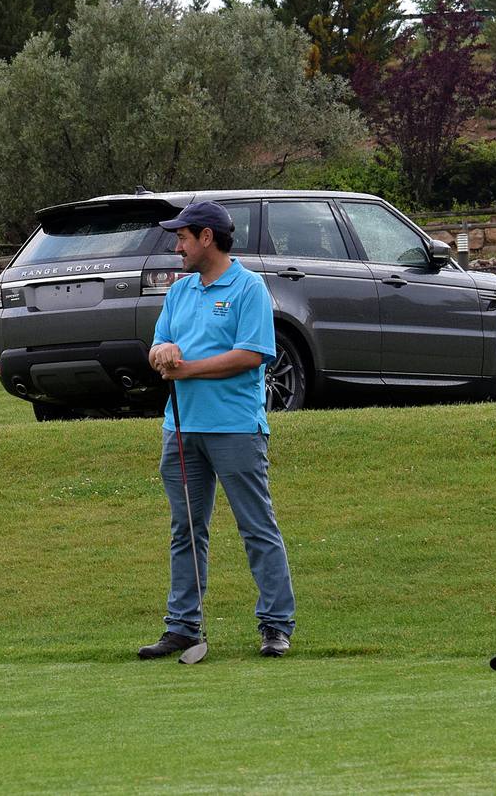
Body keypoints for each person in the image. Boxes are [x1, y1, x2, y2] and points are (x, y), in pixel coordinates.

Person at [138, 201, 297, 660]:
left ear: (206, 237)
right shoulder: (179, 292)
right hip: (181, 430)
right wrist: (163, 353)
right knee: (186, 529)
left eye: (182, 237)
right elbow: (158, 347)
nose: (177, 246)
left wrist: (185, 369)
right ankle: (183, 626)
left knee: (256, 528)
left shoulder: (249, 288)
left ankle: (275, 625)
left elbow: (252, 354)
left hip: (236, 430)